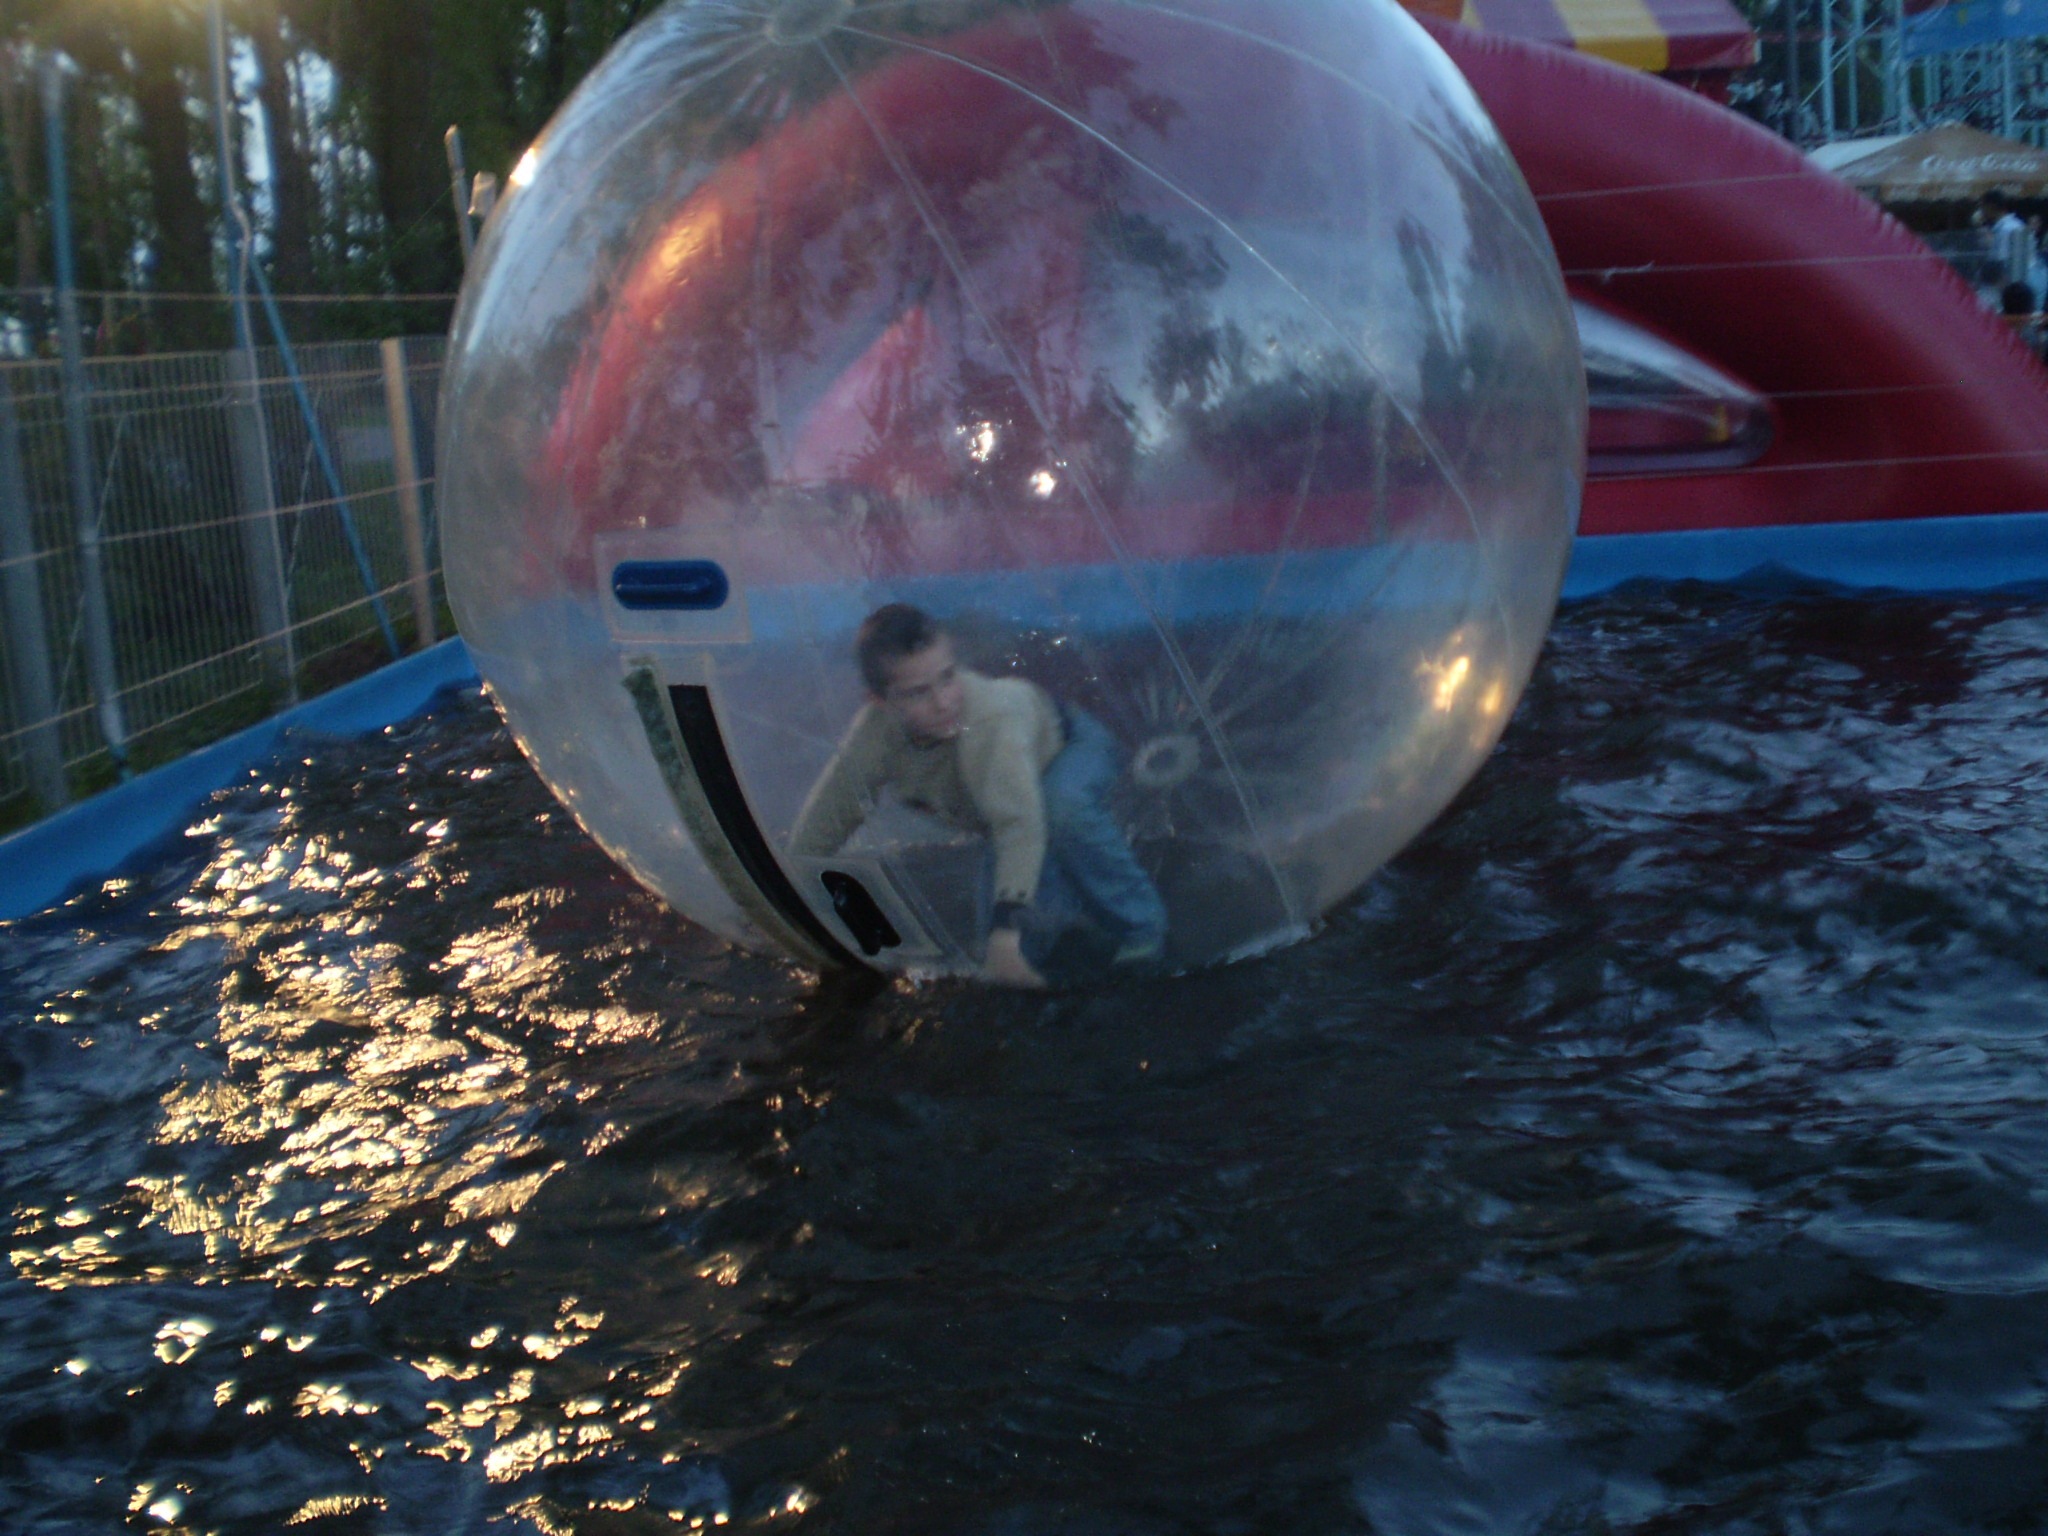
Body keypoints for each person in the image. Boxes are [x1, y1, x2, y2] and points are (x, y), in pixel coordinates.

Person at [788, 603, 1168, 987]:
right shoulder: (874, 736)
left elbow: (1018, 827)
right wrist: (791, 888)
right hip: (1005, 802)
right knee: (1006, 959)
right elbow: (829, 815)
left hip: (1071, 746)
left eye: (947, 677)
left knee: (1061, 809)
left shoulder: (989, 718)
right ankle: (1069, 900)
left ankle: (1143, 925)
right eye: (918, 693)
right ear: (880, 702)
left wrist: (1006, 931)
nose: (943, 702)